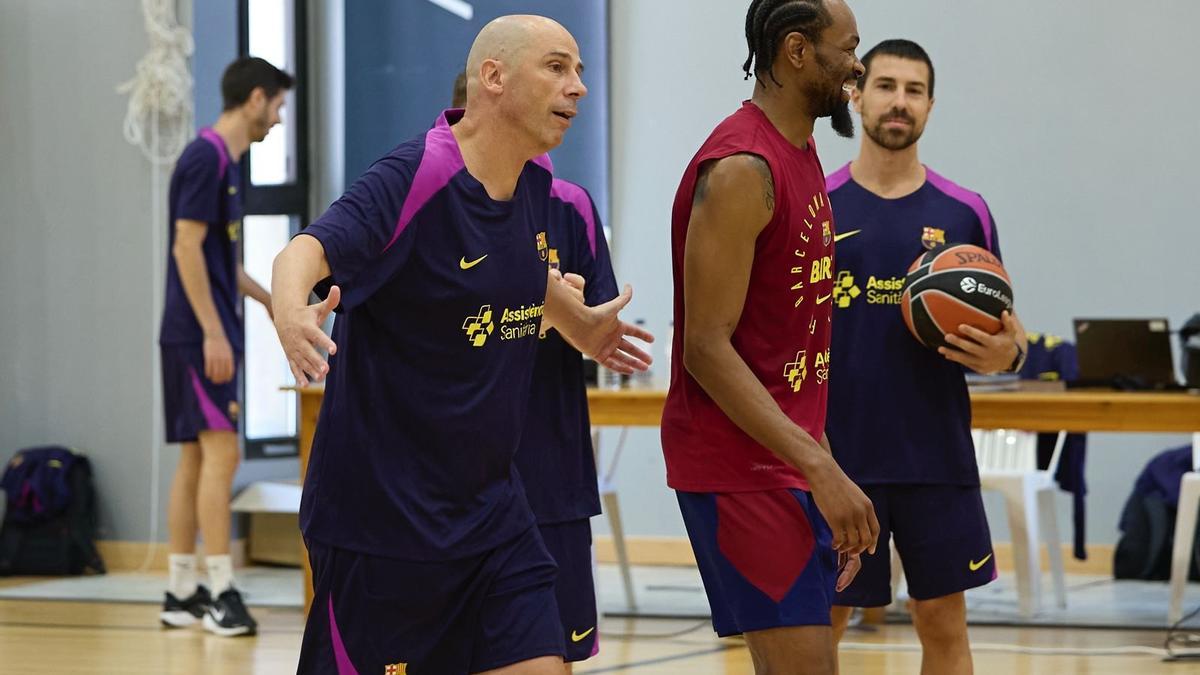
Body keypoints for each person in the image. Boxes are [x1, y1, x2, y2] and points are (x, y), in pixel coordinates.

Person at [272, 16, 651, 674]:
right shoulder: (415, 175)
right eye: (557, 67)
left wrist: (582, 326)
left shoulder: (533, 187)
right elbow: (303, 252)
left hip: (494, 520)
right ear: (493, 77)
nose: (578, 87)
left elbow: (520, 273)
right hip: (383, 524)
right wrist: (289, 312)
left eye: (580, 71)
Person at [660, 1, 877, 672]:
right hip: (738, 468)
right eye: (848, 48)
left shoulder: (801, 150)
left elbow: (789, 348)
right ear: (797, 50)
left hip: (786, 461)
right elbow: (705, 347)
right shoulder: (741, 168)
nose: (857, 65)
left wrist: (823, 465)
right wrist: (818, 468)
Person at [824, 39, 1028, 675]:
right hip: (836, 458)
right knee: (820, 625)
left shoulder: (964, 212)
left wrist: (1005, 355)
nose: (899, 102)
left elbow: (1012, 337)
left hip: (935, 455)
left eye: (914, 91)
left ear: (930, 107)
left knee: (942, 623)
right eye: (885, 86)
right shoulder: (816, 204)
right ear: (857, 96)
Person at [453, 67, 617, 670]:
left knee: (550, 654)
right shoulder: (430, 200)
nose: (573, 89)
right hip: (451, 484)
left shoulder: (569, 205)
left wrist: (573, 316)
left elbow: (601, 334)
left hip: (549, 473)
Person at [158, 56, 292, 637]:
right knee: (222, 454)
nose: (279, 119)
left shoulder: (226, 164)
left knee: (196, 457)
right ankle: (220, 591)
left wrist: (267, 300)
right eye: (278, 106)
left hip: (202, 331)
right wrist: (213, 331)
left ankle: (180, 590)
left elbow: (219, 262)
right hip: (198, 336)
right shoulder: (205, 158)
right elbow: (185, 248)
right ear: (256, 98)